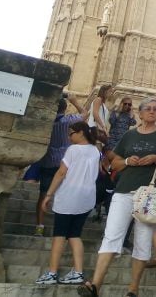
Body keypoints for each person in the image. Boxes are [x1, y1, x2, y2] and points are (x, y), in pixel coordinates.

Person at [77, 97, 156, 297]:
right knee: (111, 236)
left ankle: (133, 289)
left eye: (155, 109)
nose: (151, 111)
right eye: (147, 108)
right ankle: (95, 284)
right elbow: (115, 162)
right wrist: (129, 160)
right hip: (123, 191)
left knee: (143, 241)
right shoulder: (129, 136)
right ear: (139, 113)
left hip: (149, 196)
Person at [35, 121, 101, 286]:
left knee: (59, 235)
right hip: (86, 198)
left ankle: (52, 272)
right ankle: (78, 273)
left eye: (71, 133)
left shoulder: (73, 150)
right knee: (74, 234)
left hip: (70, 196)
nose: (69, 136)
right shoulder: (96, 151)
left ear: (81, 133)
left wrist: (48, 195)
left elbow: (61, 172)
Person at [36, 93, 87, 236]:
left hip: (47, 161)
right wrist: (75, 101)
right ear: (65, 109)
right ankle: (62, 228)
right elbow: (84, 114)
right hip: (64, 163)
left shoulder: (47, 121)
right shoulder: (68, 121)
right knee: (64, 195)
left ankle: (39, 226)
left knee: (43, 194)